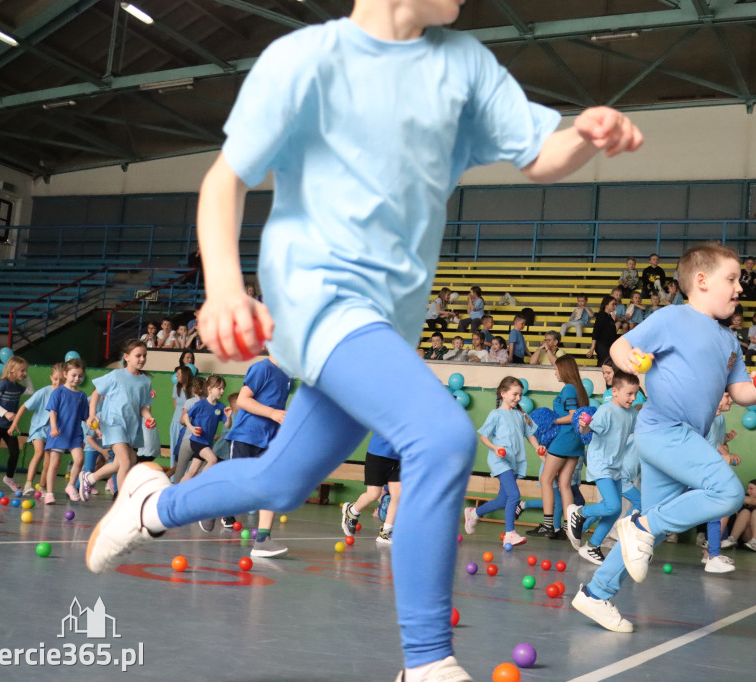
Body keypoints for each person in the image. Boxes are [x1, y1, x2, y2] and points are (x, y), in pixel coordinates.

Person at [83, 2, 643, 677]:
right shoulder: (306, 60)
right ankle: (427, 661)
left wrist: (584, 134)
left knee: (282, 481)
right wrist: (226, 288)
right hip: (314, 297)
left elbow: (540, 154)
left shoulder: (463, 65)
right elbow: (225, 179)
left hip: (382, 326)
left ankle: (153, 502)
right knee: (439, 437)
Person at [571, 242, 756, 635]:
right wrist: (629, 358)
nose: (739, 288)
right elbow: (619, 345)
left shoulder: (729, 342)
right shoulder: (671, 318)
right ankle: (642, 527)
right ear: (701, 281)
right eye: (731, 279)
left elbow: (740, 392)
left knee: (652, 528)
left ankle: (597, 593)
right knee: (728, 495)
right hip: (663, 429)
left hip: (680, 439)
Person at [214, 355, 290, 555]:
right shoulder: (262, 368)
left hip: (269, 441)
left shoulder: (287, 375)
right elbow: (243, 400)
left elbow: (278, 410)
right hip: (246, 437)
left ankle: (263, 540)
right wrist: (273, 413)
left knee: (270, 487)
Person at [567, 370, 640, 565]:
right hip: (601, 464)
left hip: (616, 466)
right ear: (614, 391)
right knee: (613, 505)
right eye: (629, 394)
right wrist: (583, 425)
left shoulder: (631, 413)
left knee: (615, 512)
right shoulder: (606, 411)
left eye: (635, 394)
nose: (632, 398)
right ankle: (579, 513)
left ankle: (592, 547)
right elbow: (587, 429)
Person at [465, 376, 544, 547]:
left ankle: (474, 513)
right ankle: (510, 533)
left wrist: (538, 449)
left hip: (514, 461)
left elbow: (530, 435)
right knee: (514, 495)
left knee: (503, 499)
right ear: (503, 394)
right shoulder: (496, 414)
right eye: (515, 394)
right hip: (499, 460)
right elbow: (484, 438)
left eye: (520, 395)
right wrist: (495, 448)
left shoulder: (520, 415)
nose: (518, 398)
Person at [79, 339, 155, 499]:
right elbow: (96, 393)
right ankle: (122, 500)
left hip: (131, 426)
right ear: (126, 357)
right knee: (126, 461)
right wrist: (92, 414)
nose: (142, 359)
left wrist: (149, 417)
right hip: (113, 423)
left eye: (145, 356)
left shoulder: (145, 381)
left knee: (127, 461)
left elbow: (143, 407)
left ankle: (90, 478)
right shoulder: (116, 376)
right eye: (138, 355)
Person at [527, 356, 589, 538]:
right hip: (576, 440)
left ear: (564, 369)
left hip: (565, 438)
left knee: (546, 479)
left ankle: (547, 525)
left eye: (556, 369)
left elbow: (573, 416)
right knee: (565, 484)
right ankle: (568, 527)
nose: (555, 373)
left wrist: (551, 420)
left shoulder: (569, 388)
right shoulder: (578, 388)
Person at [0, 355, 34, 492]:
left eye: (25, 371)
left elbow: (31, 391)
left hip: (10, 426)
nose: (24, 373)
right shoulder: (2, 383)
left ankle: (9, 478)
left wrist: (26, 378)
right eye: (22, 371)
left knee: (15, 451)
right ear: (12, 370)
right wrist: (5, 413)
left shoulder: (17, 386)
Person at [11, 362, 65, 495]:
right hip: (39, 428)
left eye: (62, 380)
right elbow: (24, 406)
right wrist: (14, 423)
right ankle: (28, 484)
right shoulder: (44, 392)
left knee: (49, 461)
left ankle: (42, 486)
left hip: (53, 431)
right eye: (56, 379)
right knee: (39, 452)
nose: (58, 382)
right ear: (51, 377)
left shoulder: (65, 394)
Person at [701, 392, 740, 574]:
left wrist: (725, 452)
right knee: (657, 508)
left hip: (705, 473)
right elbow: (697, 447)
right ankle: (636, 531)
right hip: (689, 472)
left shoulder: (718, 418)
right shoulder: (701, 417)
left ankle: (712, 556)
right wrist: (722, 458)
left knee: (717, 508)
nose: (731, 400)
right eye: (726, 396)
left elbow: (715, 442)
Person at [342, 434, 402, 545]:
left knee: (397, 495)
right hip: (378, 454)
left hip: (399, 458)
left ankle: (386, 532)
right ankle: (352, 510)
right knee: (373, 494)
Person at [43, 358, 89, 504]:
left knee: (80, 459)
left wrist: (94, 425)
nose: (77, 378)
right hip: (58, 433)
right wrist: (54, 426)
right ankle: (49, 493)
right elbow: (53, 411)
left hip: (75, 434)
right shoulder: (58, 392)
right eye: (73, 375)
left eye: (80, 376)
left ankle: (70, 486)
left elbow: (85, 417)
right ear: (65, 374)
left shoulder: (82, 396)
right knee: (54, 464)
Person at [178, 375, 230, 483]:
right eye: (219, 388)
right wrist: (191, 428)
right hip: (197, 441)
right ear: (210, 389)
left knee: (192, 472)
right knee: (213, 459)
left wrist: (228, 417)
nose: (222, 391)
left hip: (207, 443)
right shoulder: (200, 404)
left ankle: (178, 491)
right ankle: (199, 484)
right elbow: (185, 416)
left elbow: (227, 425)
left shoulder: (220, 407)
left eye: (223, 388)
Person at [168, 365, 195, 473]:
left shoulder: (193, 388)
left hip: (188, 423)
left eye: (179, 373)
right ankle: (174, 476)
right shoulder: (176, 387)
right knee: (174, 449)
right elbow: (176, 404)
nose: (177, 376)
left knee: (185, 450)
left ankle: (186, 474)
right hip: (176, 422)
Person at [586, 295, 619, 366]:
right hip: (602, 345)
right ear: (606, 305)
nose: (615, 306)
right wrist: (592, 348)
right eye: (613, 304)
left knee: (606, 364)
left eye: (615, 304)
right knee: (605, 364)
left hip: (609, 345)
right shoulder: (601, 316)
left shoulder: (609, 317)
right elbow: (595, 332)